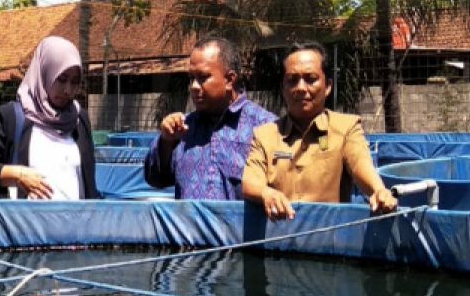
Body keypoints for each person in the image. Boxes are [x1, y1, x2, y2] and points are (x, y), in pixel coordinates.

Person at [242, 42, 397, 220]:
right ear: (283, 88)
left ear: (328, 86)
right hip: (277, 241)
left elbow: (359, 163)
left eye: (310, 79)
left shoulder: (346, 127)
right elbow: (249, 182)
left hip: (329, 242)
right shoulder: (265, 135)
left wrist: (378, 190)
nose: (300, 87)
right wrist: (266, 193)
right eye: (292, 80)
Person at [143, 36, 276, 199]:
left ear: (229, 80)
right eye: (191, 78)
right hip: (187, 225)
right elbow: (155, 179)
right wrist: (166, 142)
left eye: (203, 77)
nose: (193, 87)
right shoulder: (182, 129)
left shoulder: (265, 127)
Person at [0, 35, 98, 199]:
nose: (68, 90)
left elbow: (89, 183)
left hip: (75, 222)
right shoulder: (12, 117)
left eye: (74, 82)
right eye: (61, 79)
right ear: (44, 72)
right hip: (26, 223)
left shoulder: (79, 119)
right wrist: (18, 175)